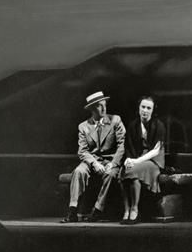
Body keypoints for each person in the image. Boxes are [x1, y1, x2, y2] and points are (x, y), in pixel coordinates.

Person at [62, 91, 125, 223]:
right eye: (99, 106)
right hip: (91, 161)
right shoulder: (83, 126)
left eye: (104, 104)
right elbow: (82, 151)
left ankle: (97, 210)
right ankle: (72, 210)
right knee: (79, 171)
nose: (103, 108)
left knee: (110, 174)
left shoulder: (115, 120)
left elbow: (122, 145)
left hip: (110, 160)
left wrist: (113, 163)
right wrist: (94, 163)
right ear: (92, 109)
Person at [119, 96, 165, 224]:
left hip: (153, 160)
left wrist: (136, 162)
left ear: (153, 110)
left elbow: (156, 151)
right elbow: (128, 146)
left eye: (148, 108)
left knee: (133, 172)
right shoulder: (133, 125)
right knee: (123, 172)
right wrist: (128, 160)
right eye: (143, 107)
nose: (145, 110)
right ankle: (127, 210)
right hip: (136, 158)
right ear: (139, 108)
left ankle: (134, 209)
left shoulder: (159, 125)